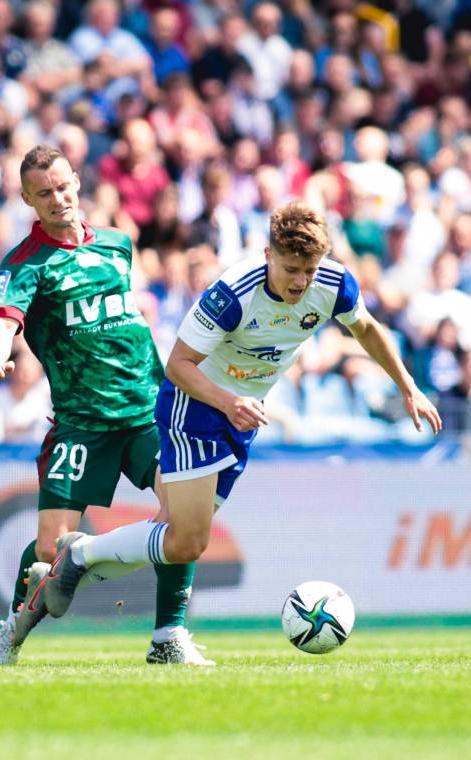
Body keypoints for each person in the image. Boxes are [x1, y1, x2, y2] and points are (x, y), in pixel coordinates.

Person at [39, 203, 443, 650]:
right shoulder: (232, 294)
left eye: (308, 270)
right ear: (268, 254)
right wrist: (230, 402)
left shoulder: (333, 283)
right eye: (290, 268)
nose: (299, 281)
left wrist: (408, 387)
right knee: (187, 540)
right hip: (194, 405)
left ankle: (79, 556)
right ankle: (126, 599)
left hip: (242, 412)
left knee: (177, 537)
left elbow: (365, 329)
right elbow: (177, 366)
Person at [0, 144, 204, 666]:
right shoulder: (24, 264)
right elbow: (1, 322)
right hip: (81, 425)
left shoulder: (117, 245)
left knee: (184, 521)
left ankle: (168, 636)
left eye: (63, 187)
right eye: (44, 194)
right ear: (27, 199)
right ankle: (14, 628)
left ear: (77, 181)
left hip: (149, 411)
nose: (58, 200)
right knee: (50, 553)